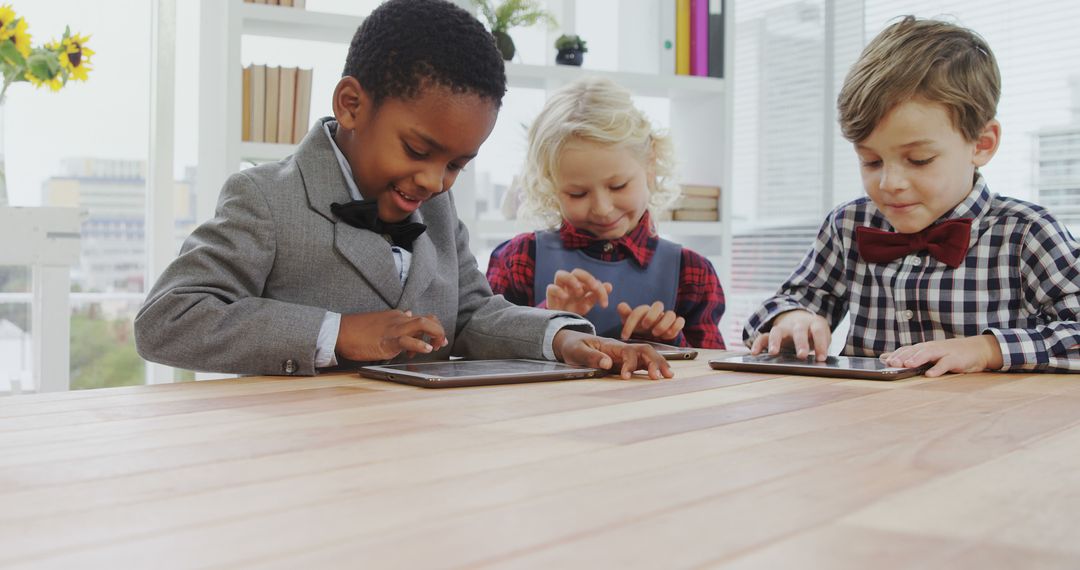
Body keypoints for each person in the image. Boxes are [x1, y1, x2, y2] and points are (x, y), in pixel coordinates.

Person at [135, 0, 671, 380]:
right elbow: (168, 319)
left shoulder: (434, 206)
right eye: (418, 150)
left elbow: (472, 316)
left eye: (457, 164)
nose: (434, 181)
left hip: (421, 458)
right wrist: (337, 333)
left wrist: (563, 338)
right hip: (293, 467)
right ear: (351, 104)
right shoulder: (265, 198)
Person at [743, 16, 1080, 376]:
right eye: (871, 161)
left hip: (990, 426)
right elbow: (776, 309)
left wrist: (987, 349)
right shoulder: (849, 225)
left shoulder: (1027, 233)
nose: (890, 183)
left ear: (982, 144)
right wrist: (792, 317)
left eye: (918, 160)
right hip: (865, 422)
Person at [486, 77, 726, 349]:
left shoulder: (692, 273)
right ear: (551, 186)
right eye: (578, 194)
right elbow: (482, 349)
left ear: (651, 165)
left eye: (618, 185)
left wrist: (670, 344)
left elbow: (712, 376)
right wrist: (544, 320)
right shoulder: (518, 260)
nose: (602, 208)